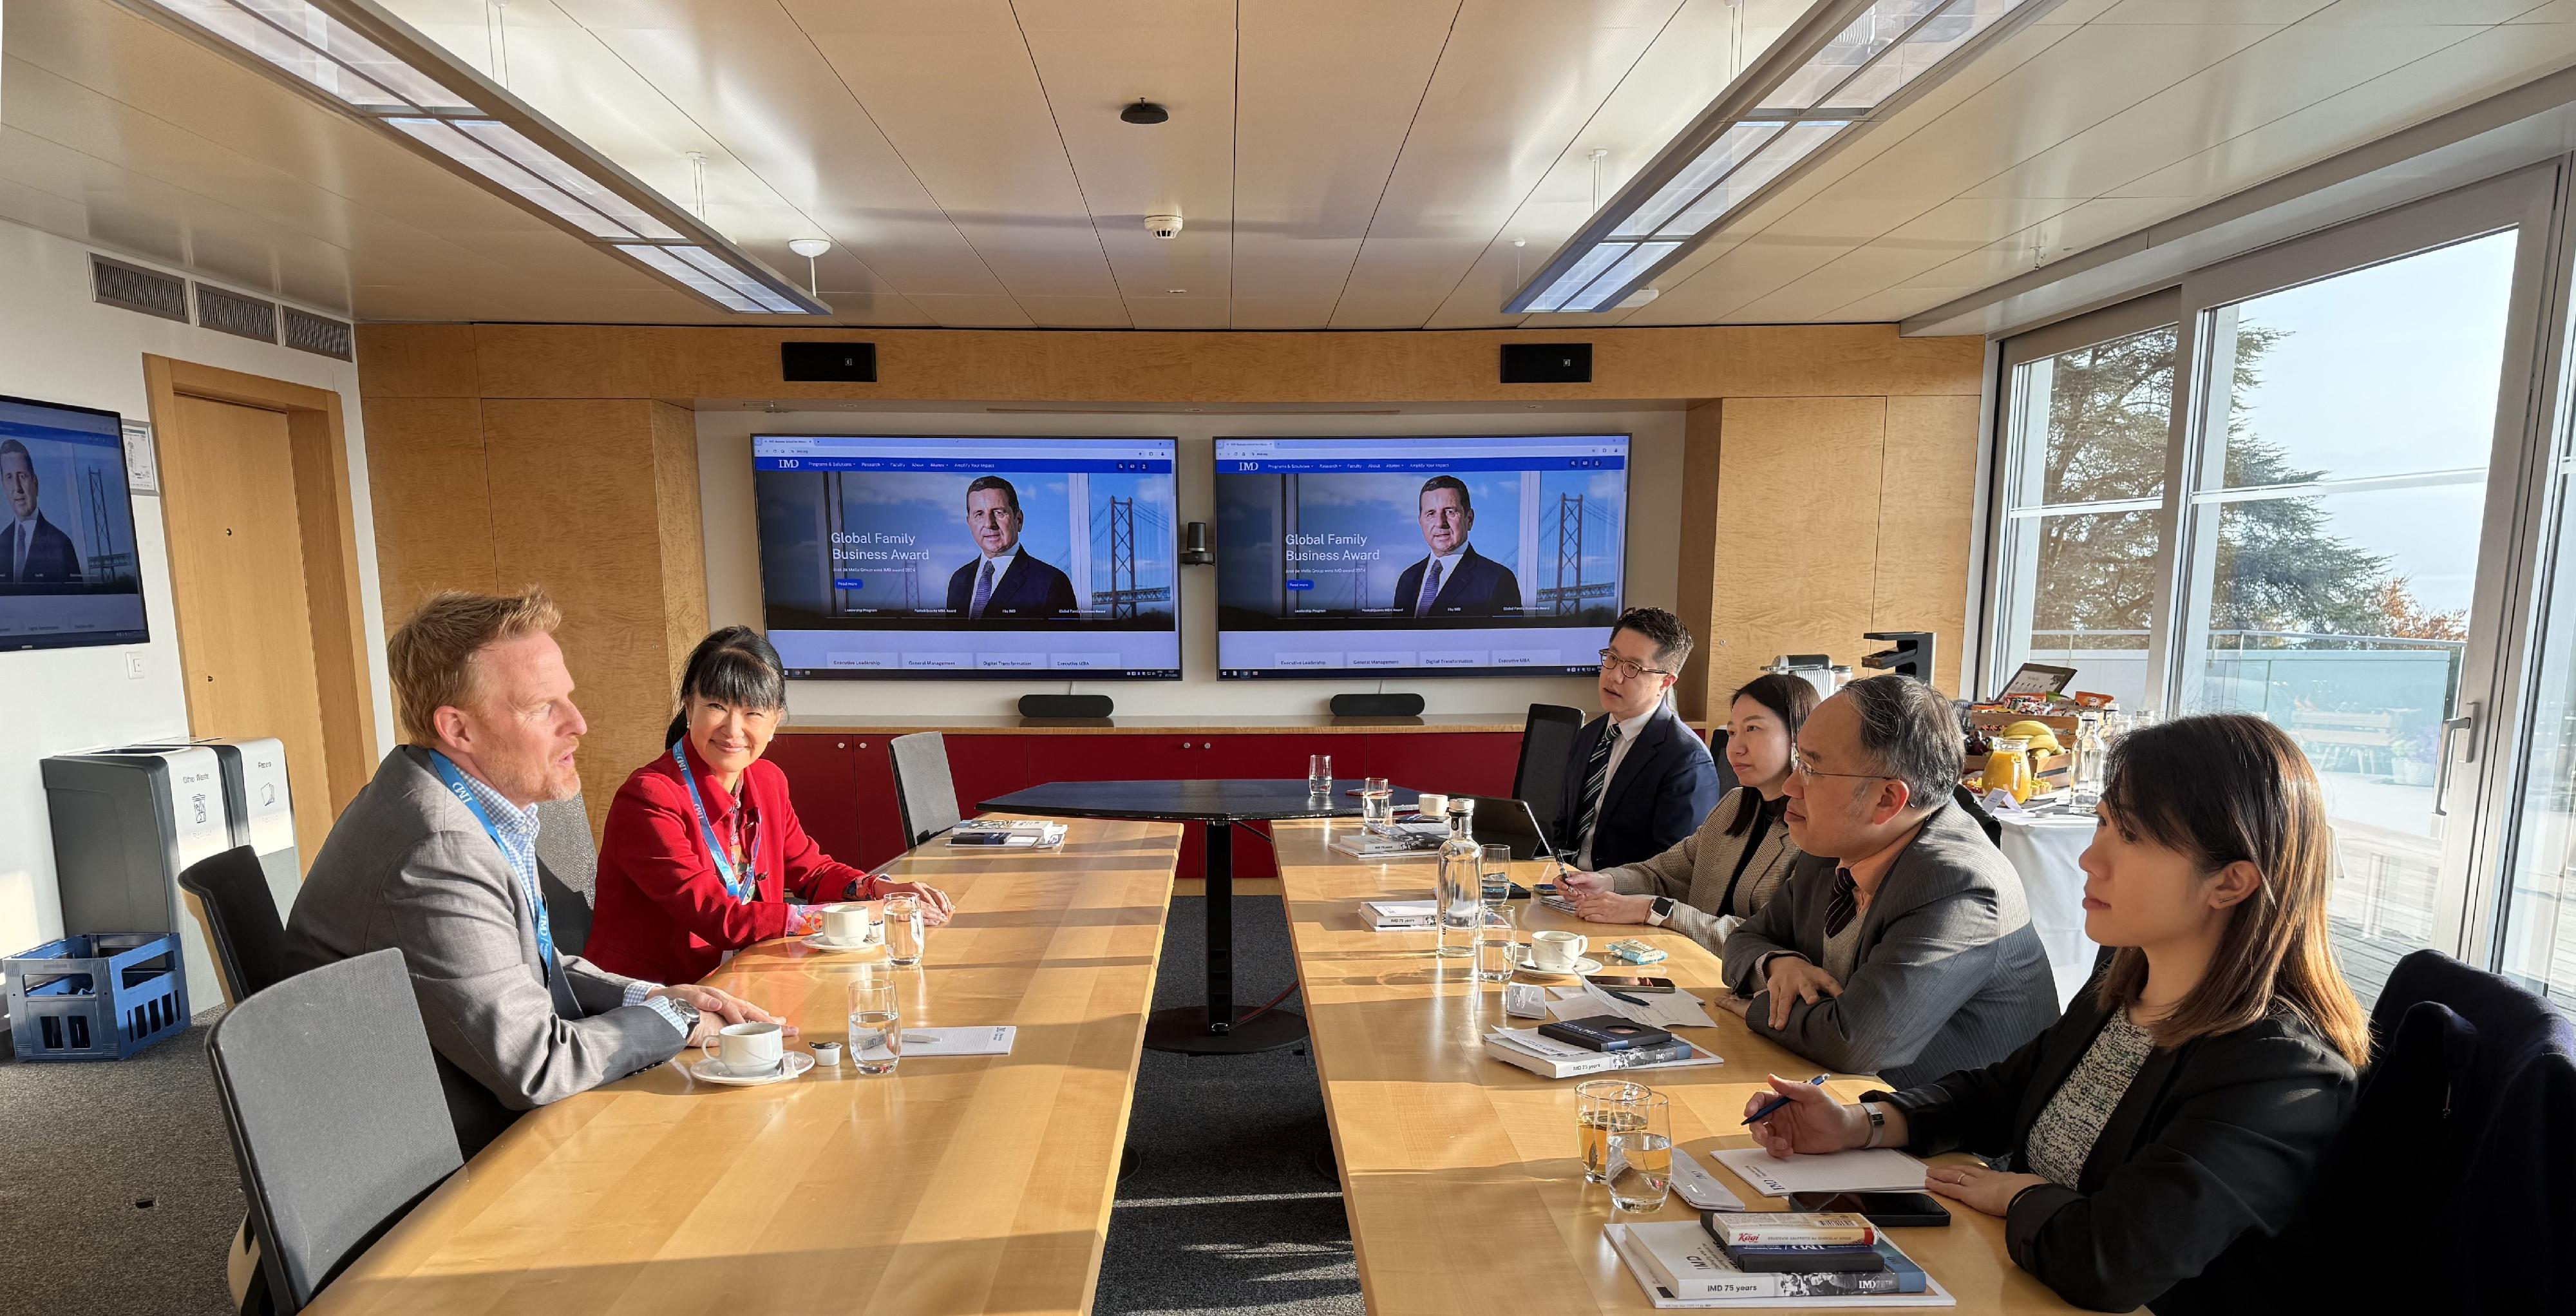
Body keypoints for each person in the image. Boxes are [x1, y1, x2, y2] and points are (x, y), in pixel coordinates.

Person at [1737, 714, 2368, 1315]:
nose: (2091, 859)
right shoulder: (2125, 984)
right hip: (2018, 1283)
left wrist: (2019, 1195)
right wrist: (1859, 1124)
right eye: (2102, 825)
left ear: (2230, 883)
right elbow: (1999, 1094)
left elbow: (2112, 1258)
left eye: (2133, 837)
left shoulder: (2282, 1071)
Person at [285, 589, 771, 1156]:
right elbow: (537, 1065)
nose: (579, 723)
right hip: (432, 1157)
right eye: (543, 707)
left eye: (568, 699)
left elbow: (518, 963)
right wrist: (674, 1020)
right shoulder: (439, 848)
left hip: (464, 1091)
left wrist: (652, 996)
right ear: (458, 729)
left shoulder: (454, 795)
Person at [1717, 674, 2057, 1088]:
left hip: (1945, 1141)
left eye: (1810, 768)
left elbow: (1854, 1041)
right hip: (1841, 1103)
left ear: (1886, 800)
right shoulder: (1832, 847)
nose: (1789, 786)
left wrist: (1755, 1006)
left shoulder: (1960, 884)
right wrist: (1778, 964)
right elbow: (1745, 939)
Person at [587, 627, 954, 985]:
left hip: (747, 976)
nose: (733, 730)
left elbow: (812, 872)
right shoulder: (650, 798)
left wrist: (877, 890)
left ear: (775, 720)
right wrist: (857, 916)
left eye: (752, 713)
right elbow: (723, 918)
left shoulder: (766, 781)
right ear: (688, 705)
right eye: (716, 706)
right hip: (655, 997)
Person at [1555, 673, 1815, 951]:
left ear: (1800, 736)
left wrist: (1655, 911)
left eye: (1752, 729)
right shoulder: (1734, 806)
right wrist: (1605, 882)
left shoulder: (1814, 831)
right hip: (1692, 962)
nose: (1736, 748)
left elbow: (1771, 939)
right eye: (1732, 732)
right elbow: (1663, 875)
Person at [1554, 607, 1722, 871]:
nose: (1614, 675)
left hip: (1622, 901)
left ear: (1666, 682)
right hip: (1566, 887)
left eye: (1633, 667)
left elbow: (1675, 870)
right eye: (1612, 658)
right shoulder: (1589, 734)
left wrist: (1603, 889)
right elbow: (1562, 828)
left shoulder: (1687, 760)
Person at [942, 475, 1077, 618]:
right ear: (969, 523)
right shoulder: (958, 580)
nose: (989, 524)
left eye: (999, 513)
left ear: (1018, 520)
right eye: (979, 514)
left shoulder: (1052, 583)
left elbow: (1067, 640)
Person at [1389, 475, 1521, 618]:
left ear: (1469, 519)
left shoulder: (1498, 580)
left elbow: (1508, 639)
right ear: (1420, 521)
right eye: (1431, 514)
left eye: (1450, 512)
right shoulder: (1407, 579)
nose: (1440, 523)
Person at [0, 438, 84, 584]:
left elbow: (77, 604)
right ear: (4, 486)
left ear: (35, 483)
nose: (17, 487)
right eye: (9, 477)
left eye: (22, 476)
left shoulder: (62, 544)